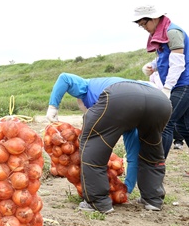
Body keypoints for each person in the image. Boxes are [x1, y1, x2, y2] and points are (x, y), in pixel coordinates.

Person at [46, 73, 171, 213]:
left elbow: (64, 78)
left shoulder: (86, 88)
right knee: (149, 150)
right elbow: (134, 155)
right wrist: (126, 190)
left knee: (91, 144)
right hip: (160, 100)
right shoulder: (126, 115)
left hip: (121, 96)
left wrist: (53, 106)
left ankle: (98, 202)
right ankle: (152, 199)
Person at [135, 5, 189, 157]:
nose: (144, 28)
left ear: (153, 18)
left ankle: (157, 166)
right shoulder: (161, 33)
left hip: (184, 84)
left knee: (165, 122)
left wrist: (167, 88)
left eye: (144, 24)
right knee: (184, 127)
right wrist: (153, 66)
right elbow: (166, 58)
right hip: (180, 84)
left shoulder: (172, 32)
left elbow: (178, 63)